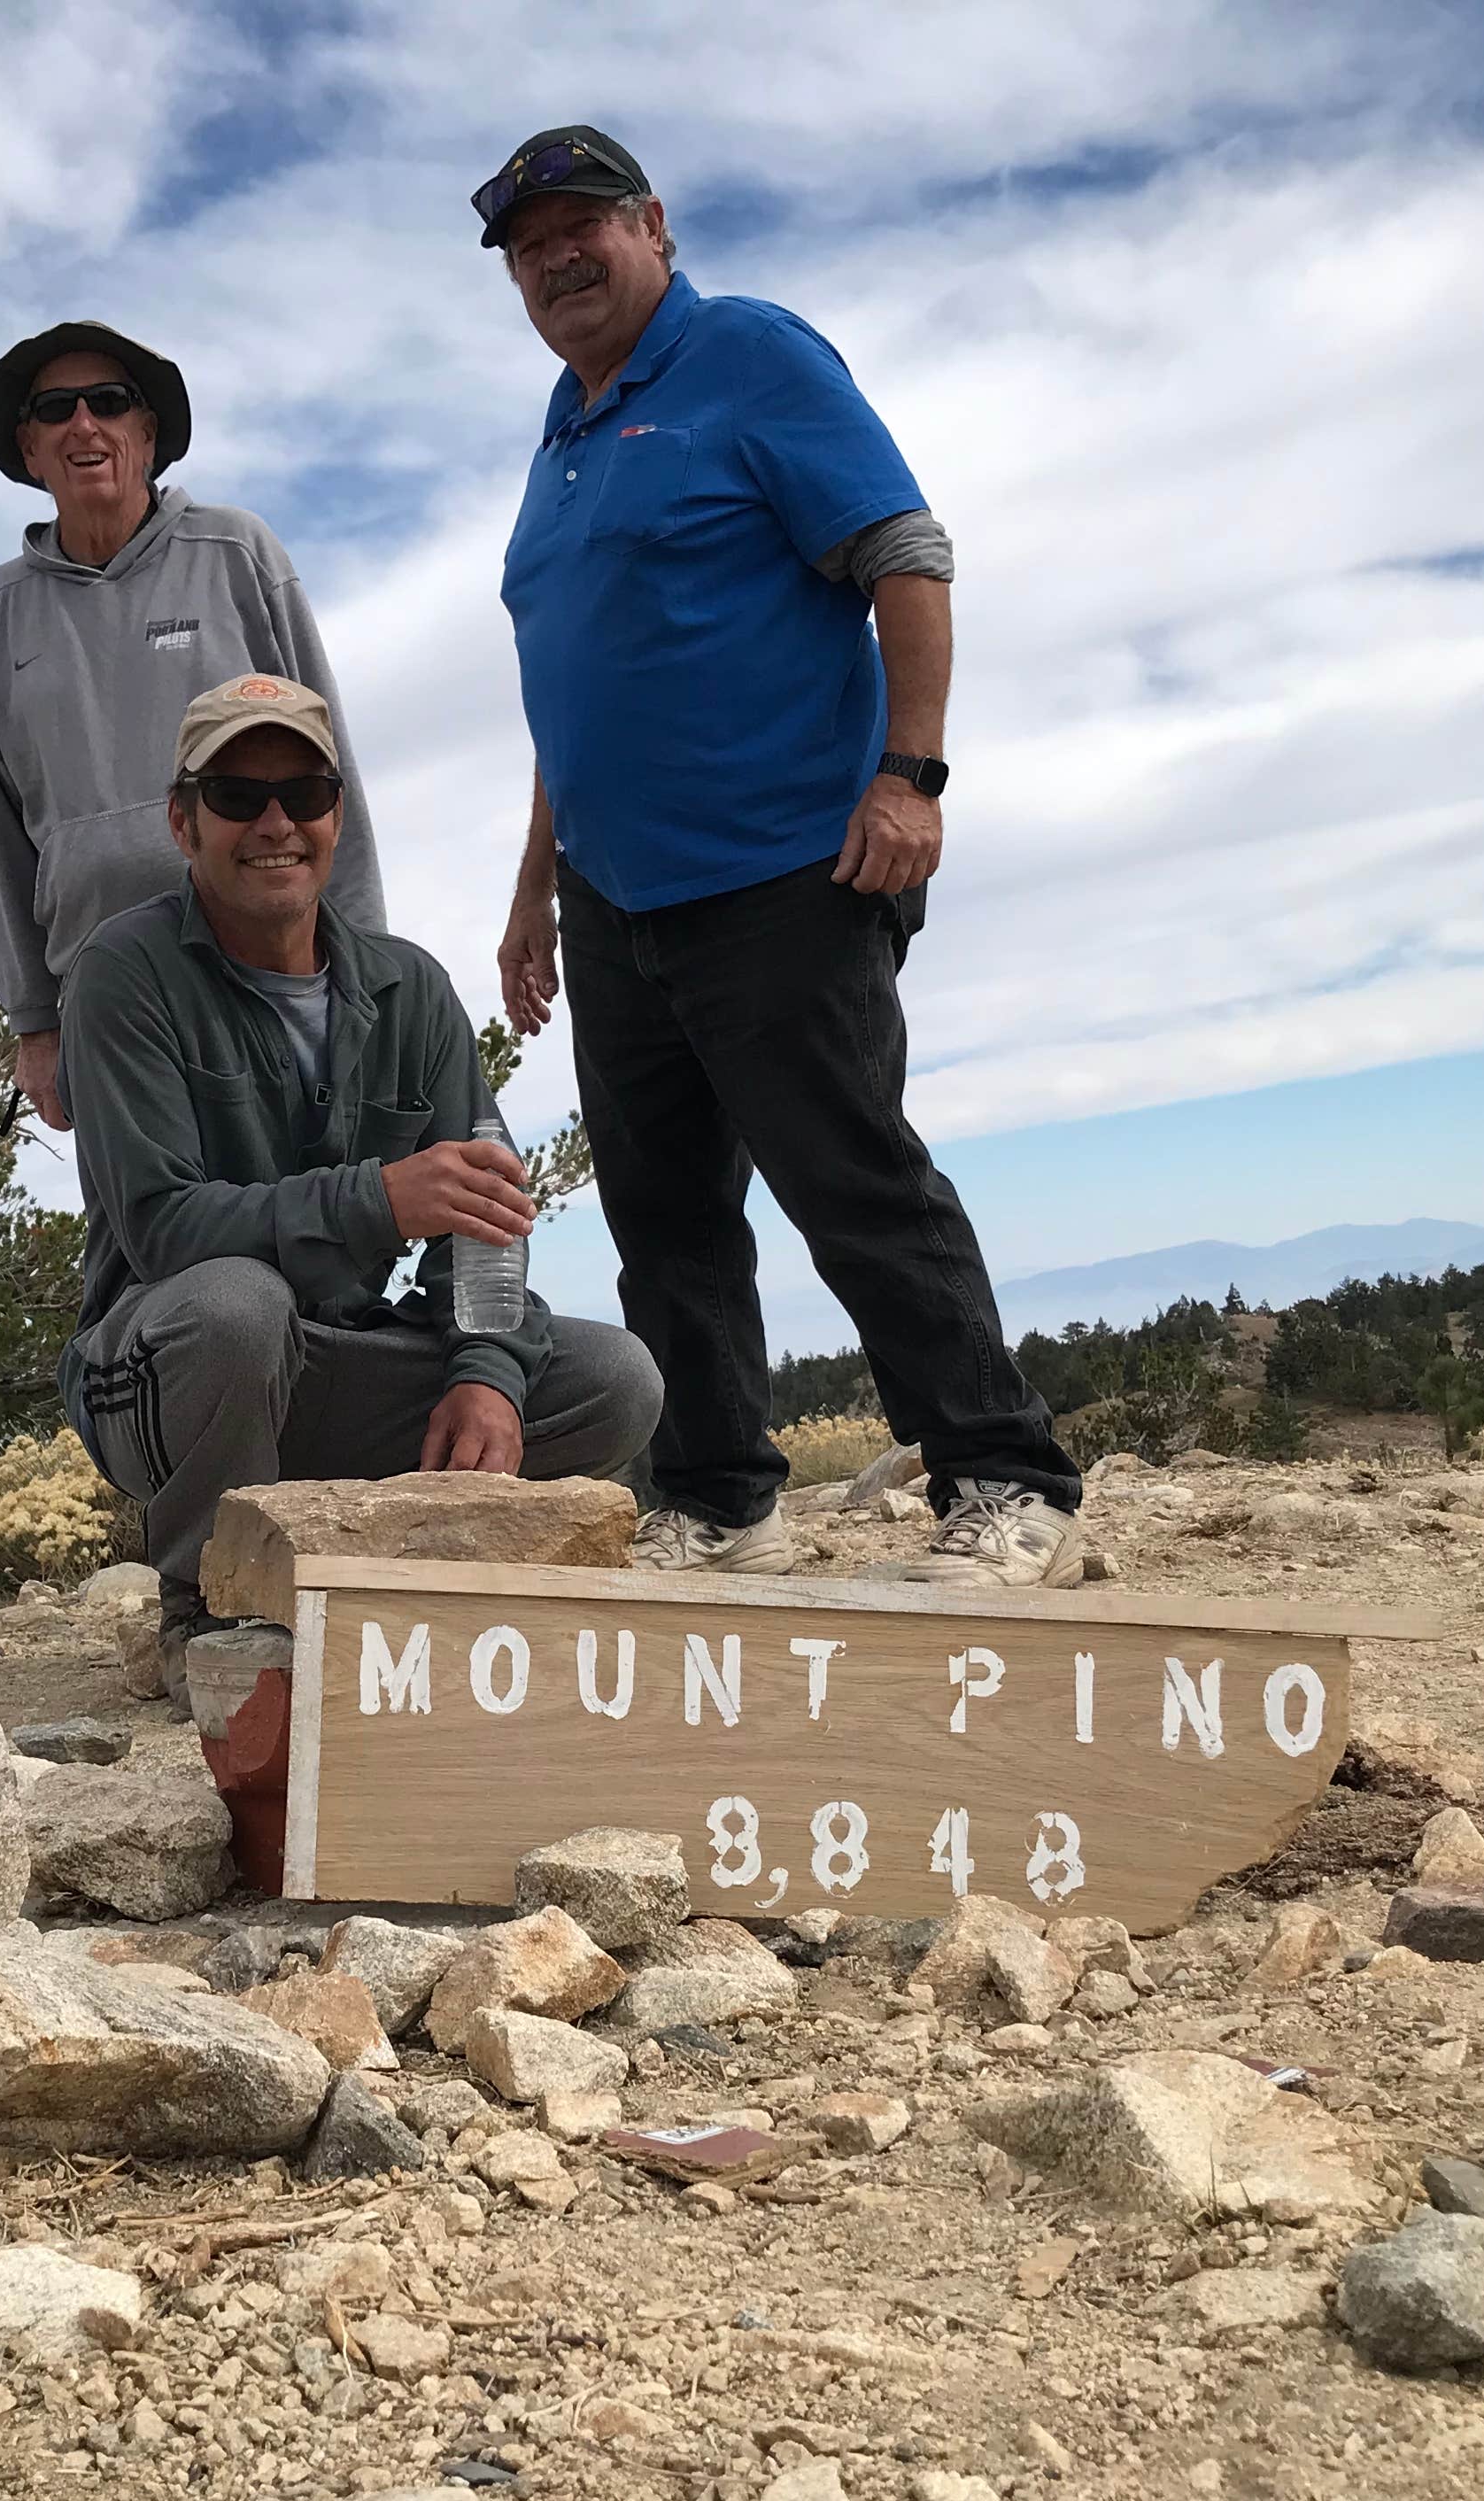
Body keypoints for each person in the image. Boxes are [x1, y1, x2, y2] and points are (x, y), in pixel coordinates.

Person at [471, 126, 1086, 1590]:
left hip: (781, 871)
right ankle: (717, 1498)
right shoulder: (563, 429)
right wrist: (533, 891)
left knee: (850, 1179)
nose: (555, 255)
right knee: (665, 1220)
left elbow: (905, 556)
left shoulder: (748, 355)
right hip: (615, 898)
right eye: (524, 241)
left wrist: (911, 771)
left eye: (583, 224)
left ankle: (1005, 1479)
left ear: (654, 227)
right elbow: (583, 685)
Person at [60, 672, 662, 1690]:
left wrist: (486, 1373)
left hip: (335, 1364)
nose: (276, 823)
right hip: (166, 1375)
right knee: (237, 1308)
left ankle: (407, 1581)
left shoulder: (411, 990)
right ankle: (210, 1614)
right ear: (182, 820)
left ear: (339, 814)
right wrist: (377, 1199)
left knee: (616, 1379)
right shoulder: (122, 974)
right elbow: (163, 1229)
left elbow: (489, 1216)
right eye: (238, 796)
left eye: (306, 792)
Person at [0, 321, 387, 1136]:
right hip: (102, 994)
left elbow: (332, 779)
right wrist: (33, 1020)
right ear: (28, 446)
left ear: (148, 433)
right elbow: (5, 833)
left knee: (311, 1227)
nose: (84, 424)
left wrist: (370, 970)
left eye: (111, 402)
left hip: (266, 965)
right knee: (147, 1243)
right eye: (56, 409)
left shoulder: (237, 553)